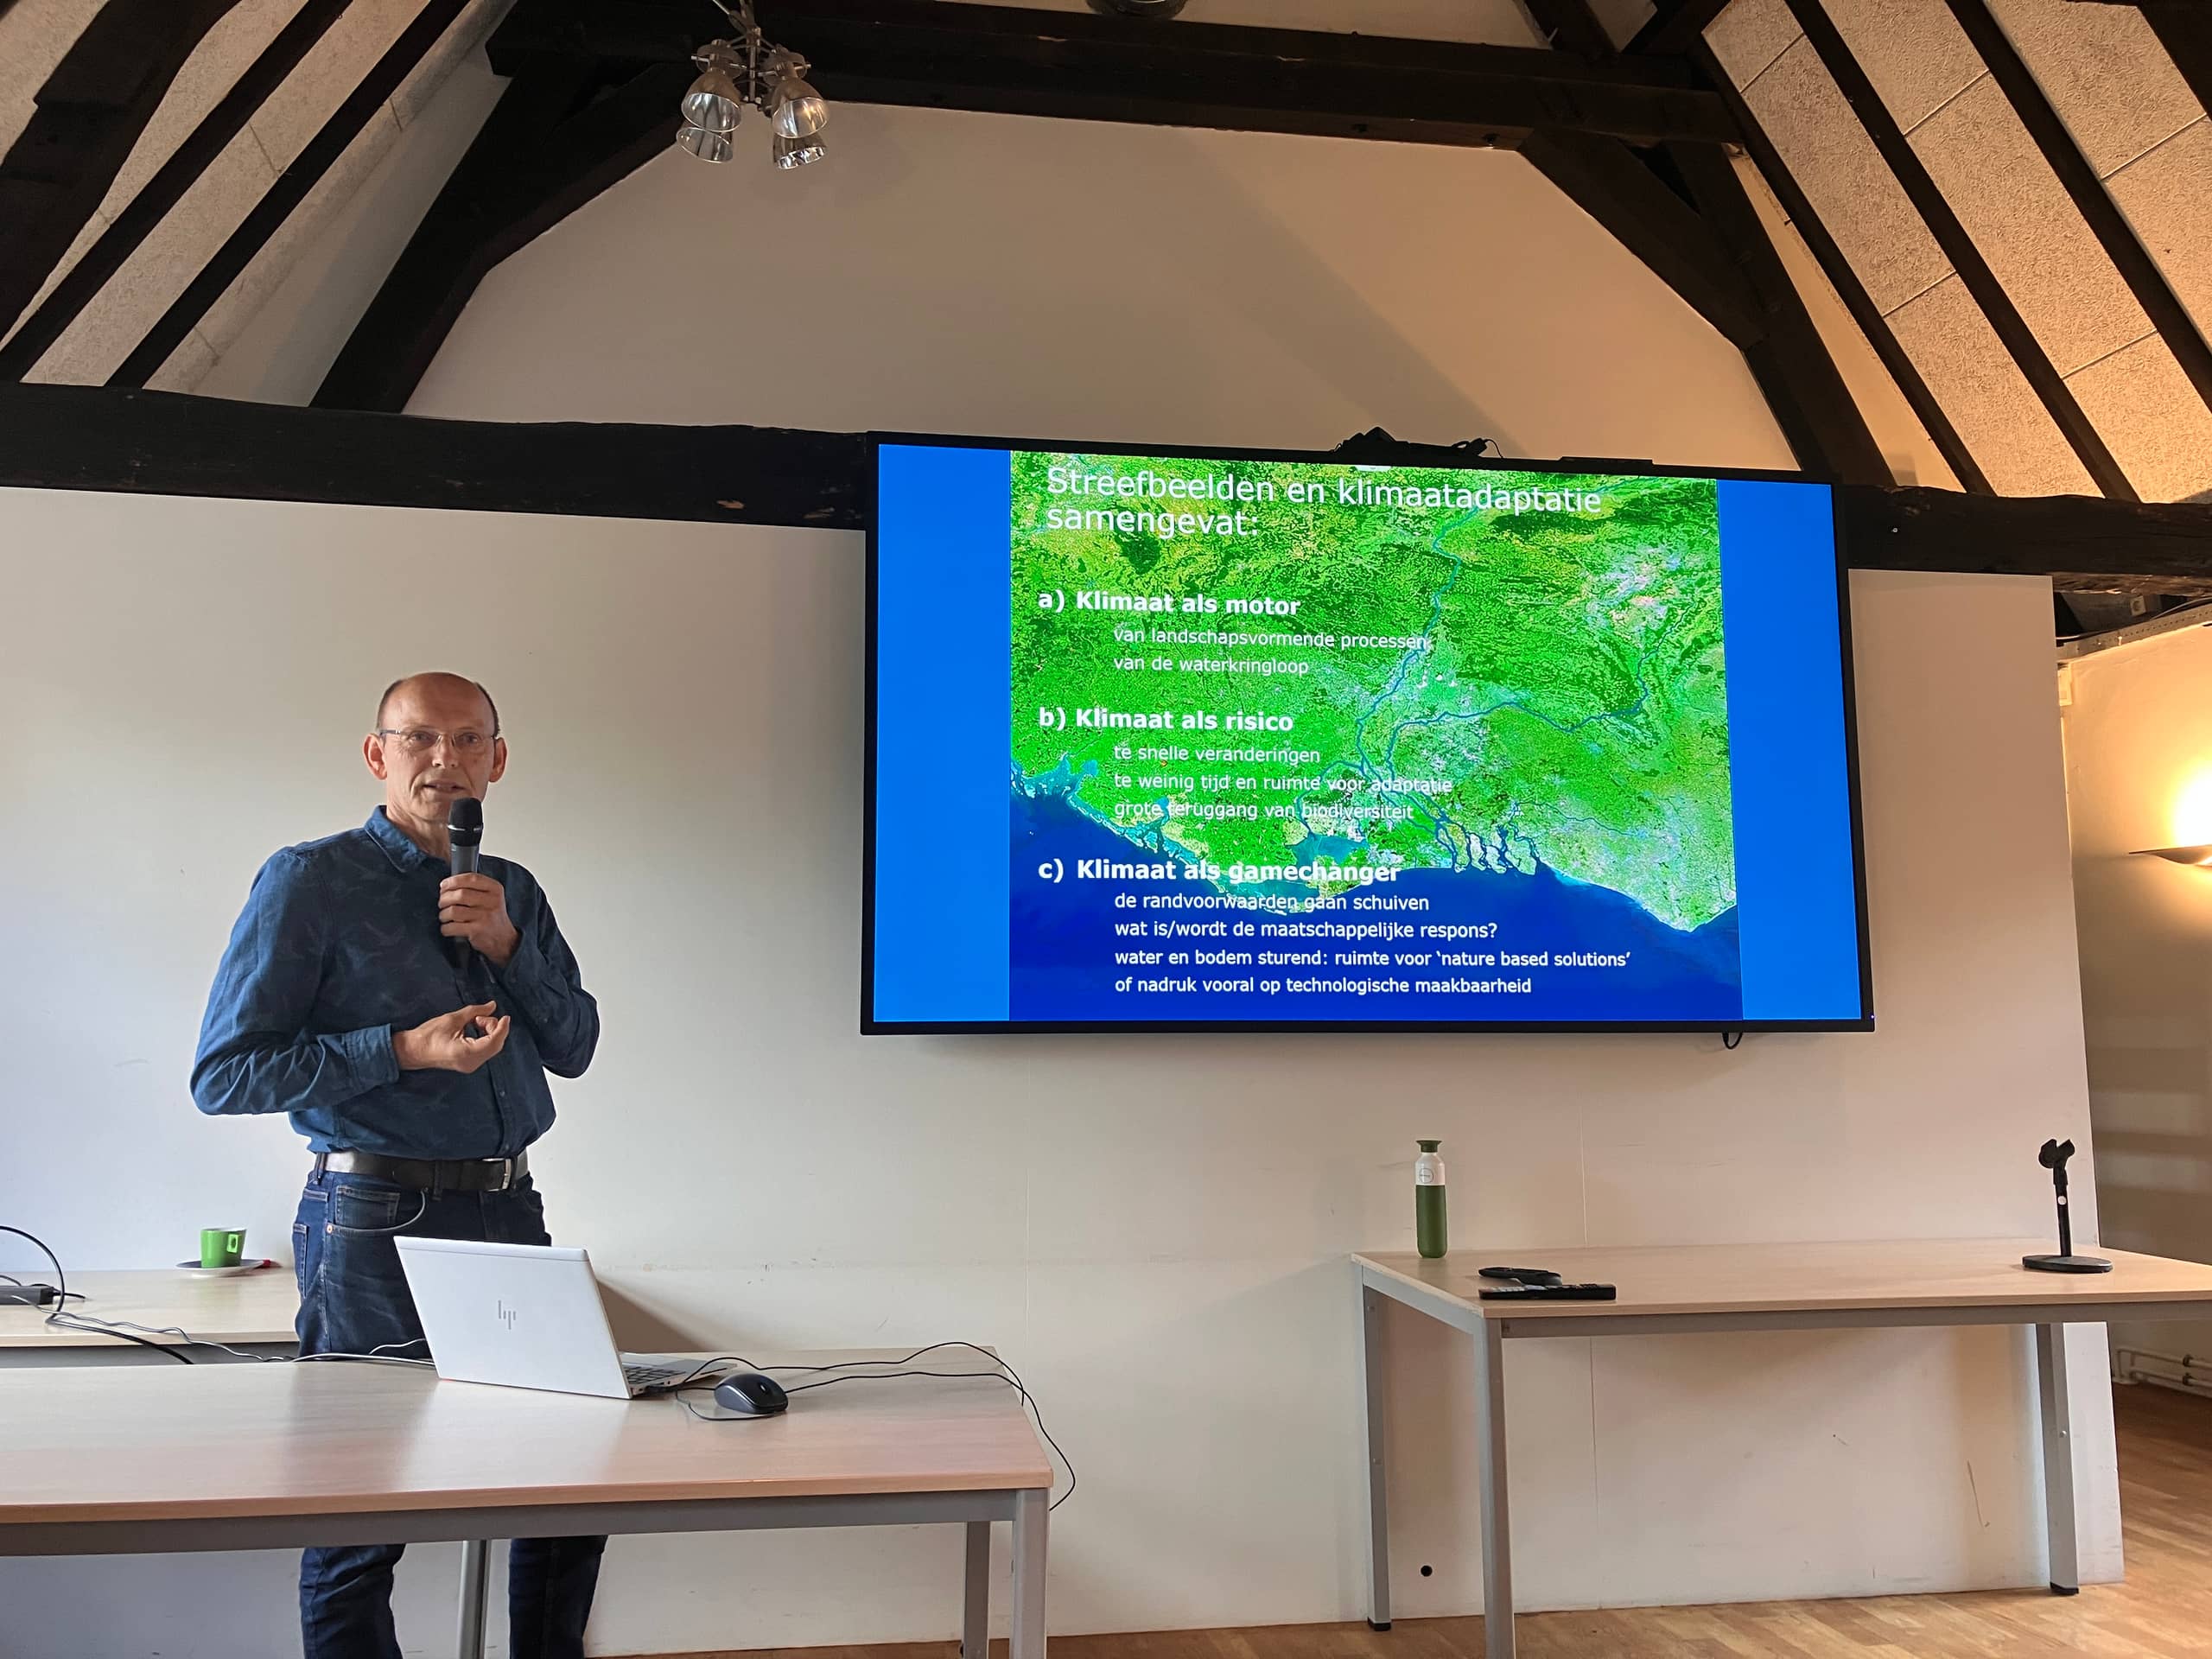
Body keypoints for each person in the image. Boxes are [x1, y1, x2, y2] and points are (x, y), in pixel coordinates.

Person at [192, 672, 603, 1659]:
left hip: (508, 1209)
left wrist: (508, 944)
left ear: (497, 760)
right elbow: (226, 1073)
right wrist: (402, 1050)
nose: (444, 759)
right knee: (362, 1508)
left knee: (570, 1483)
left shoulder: (513, 890)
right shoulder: (310, 881)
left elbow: (576, 1045)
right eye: (420, 737)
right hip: (372, 1217)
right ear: (378, 754)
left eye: (468, 740)